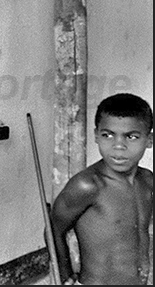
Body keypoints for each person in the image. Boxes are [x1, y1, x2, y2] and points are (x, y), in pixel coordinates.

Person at [50, 93, 153, 285]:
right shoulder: (88, 185)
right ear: (96, 135)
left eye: (131, 136)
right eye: (108, 135)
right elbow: (54, 229)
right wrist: (66, 277)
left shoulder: (147, 181)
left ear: (149, 140)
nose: (118, 146)